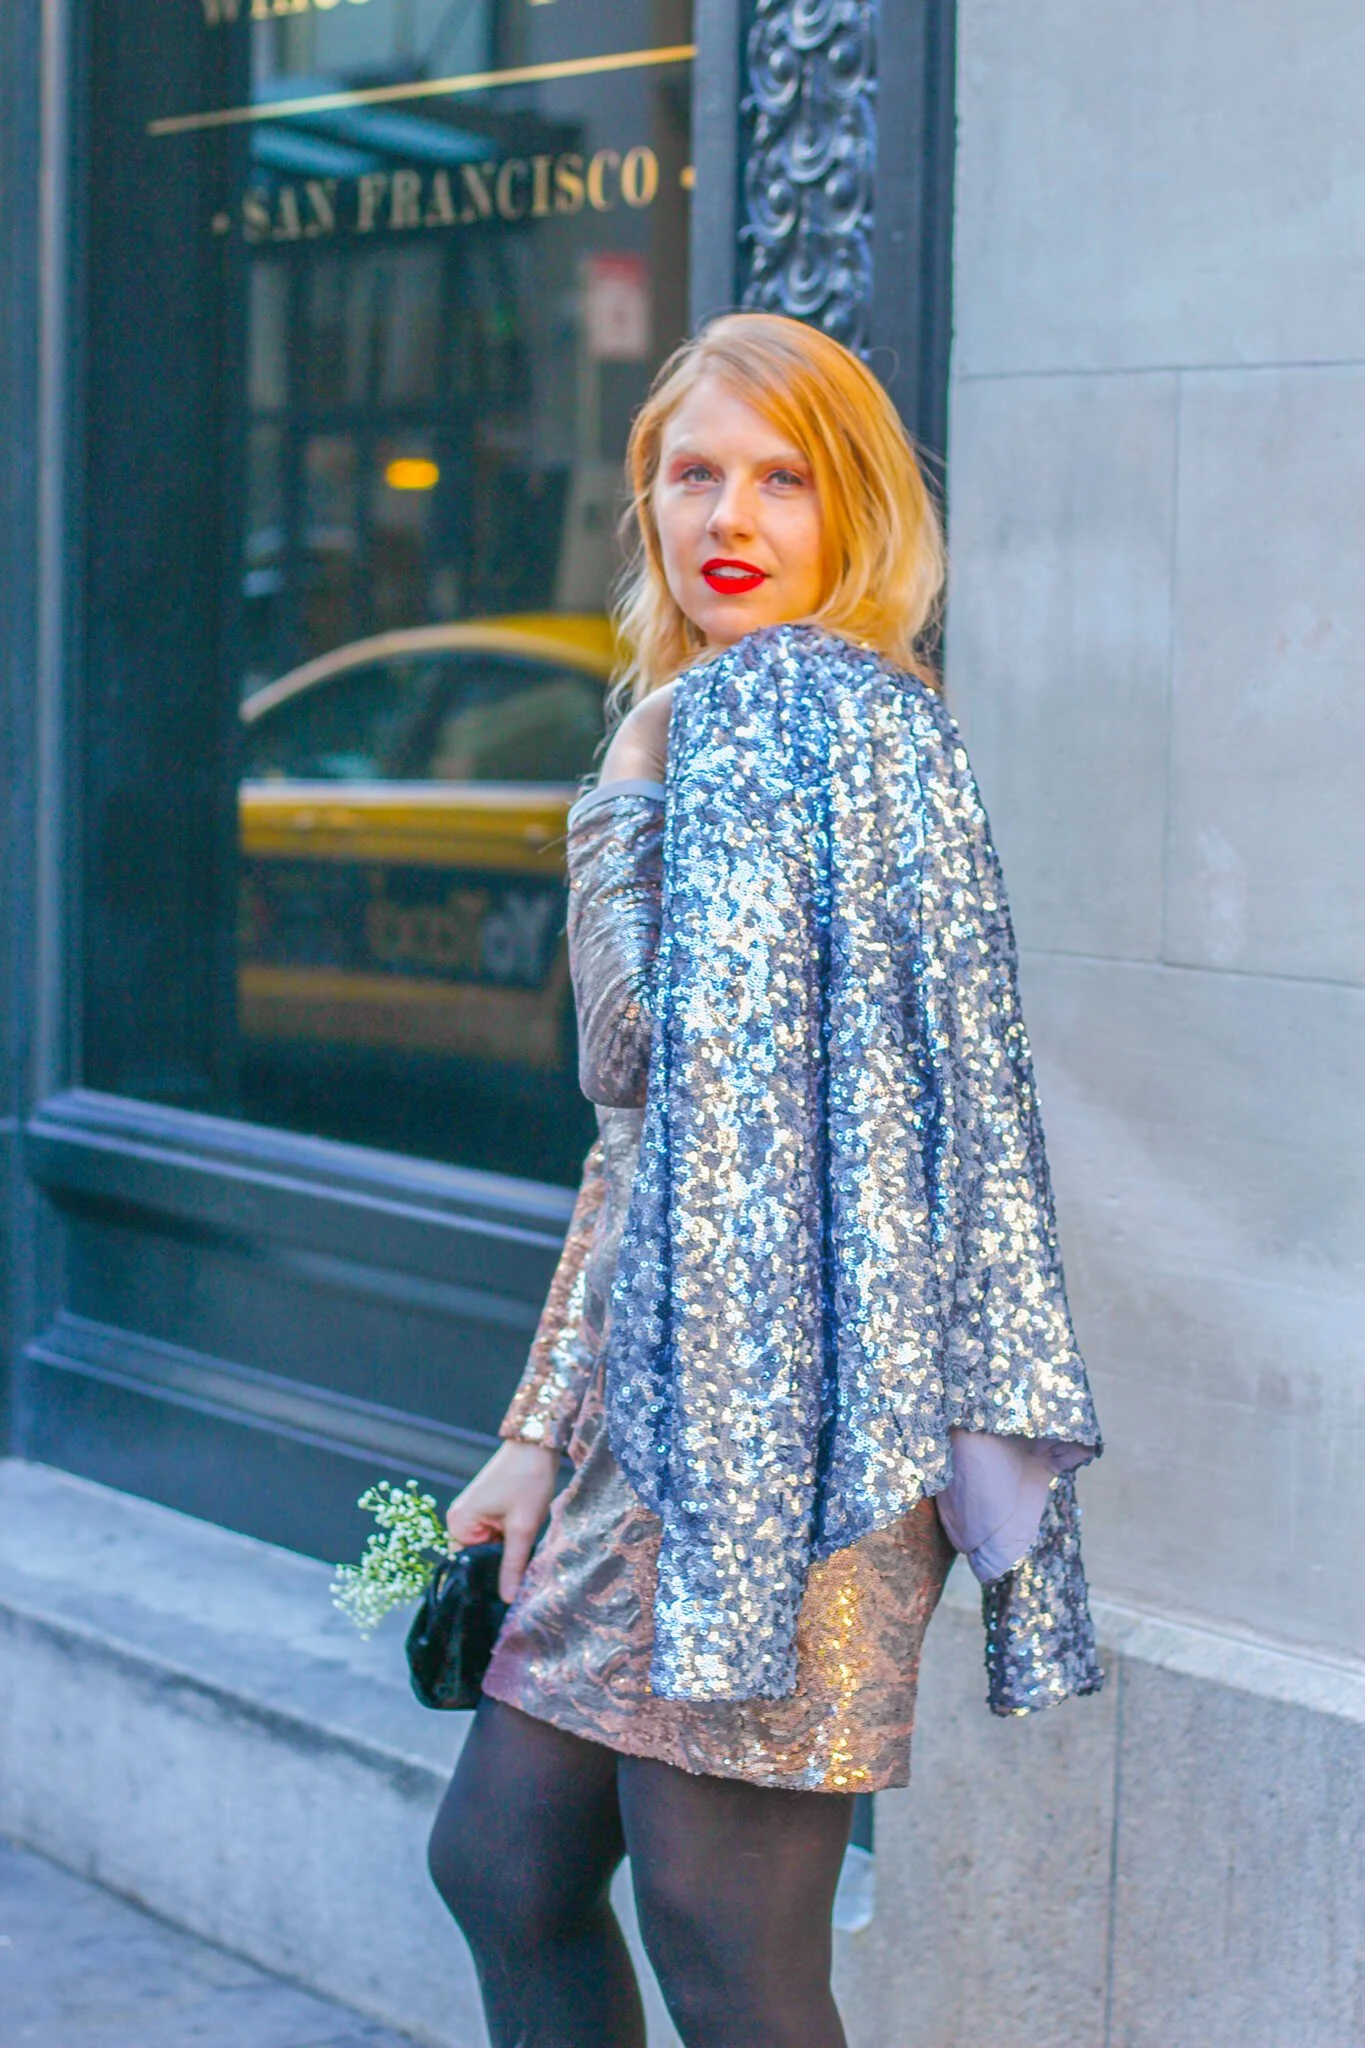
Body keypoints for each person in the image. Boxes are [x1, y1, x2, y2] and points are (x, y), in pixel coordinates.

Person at [426, 311, 1103, 2048]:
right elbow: (657, 1149)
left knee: (727, 1946)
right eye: (694, 474)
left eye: (785, 478)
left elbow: (631, 1052)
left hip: (805, 1449)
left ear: (855, 509)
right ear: (645, 500)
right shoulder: (731, 716)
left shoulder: (814, 721)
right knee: (505, 1866)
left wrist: (623, 789)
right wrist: (538, 1431)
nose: (730, 515)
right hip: (667, 1430)